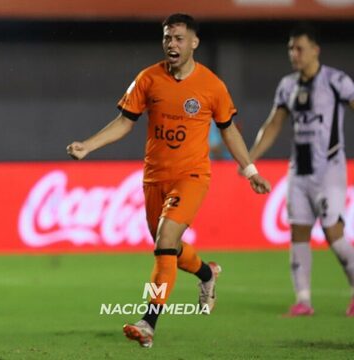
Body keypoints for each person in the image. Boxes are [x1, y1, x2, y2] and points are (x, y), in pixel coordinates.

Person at [66, 13, 271, 348]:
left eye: (178, 39)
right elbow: (125, 120)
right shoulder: (148, 79)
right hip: (154, 178)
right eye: (167, 38)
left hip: (191, 176)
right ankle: (206, 273)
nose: (171, 45)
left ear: (194, 43)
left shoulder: (211, 86)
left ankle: (148, 323)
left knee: (165, 239)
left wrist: (250, 170)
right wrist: (88, 145)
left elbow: (228, 129)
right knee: (169, 249)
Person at [249, 24, 354, 317]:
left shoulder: (336, 81)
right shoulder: (288, 85)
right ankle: (304, 301)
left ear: (315, 50)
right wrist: (249, 158)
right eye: (291, 49)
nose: (294, 54)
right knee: (298, 232)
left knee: (334, 235)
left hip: (329, 169)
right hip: (299, 171)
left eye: (300, 48)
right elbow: (273, 125)